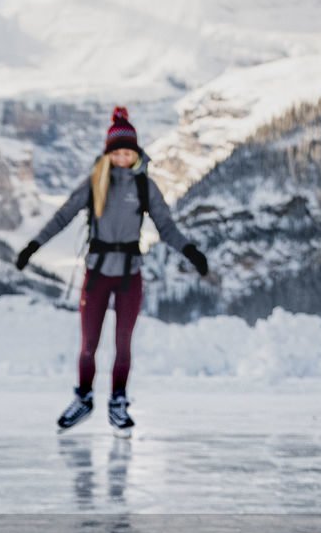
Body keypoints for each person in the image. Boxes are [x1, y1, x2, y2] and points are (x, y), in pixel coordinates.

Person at [16, 107, 208, 432]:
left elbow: (167, 227)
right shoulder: (95, 184)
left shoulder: (145, 187)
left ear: (135, 154)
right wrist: (33, 246)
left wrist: (191, 252)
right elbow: (62, 216)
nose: (122, 157)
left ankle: (118, 401)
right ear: (109, 154)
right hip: (98, 275)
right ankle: (84, 398)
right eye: (116, 152)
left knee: (123, 342)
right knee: (89, 343)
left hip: (129, 276)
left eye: (127, 152)